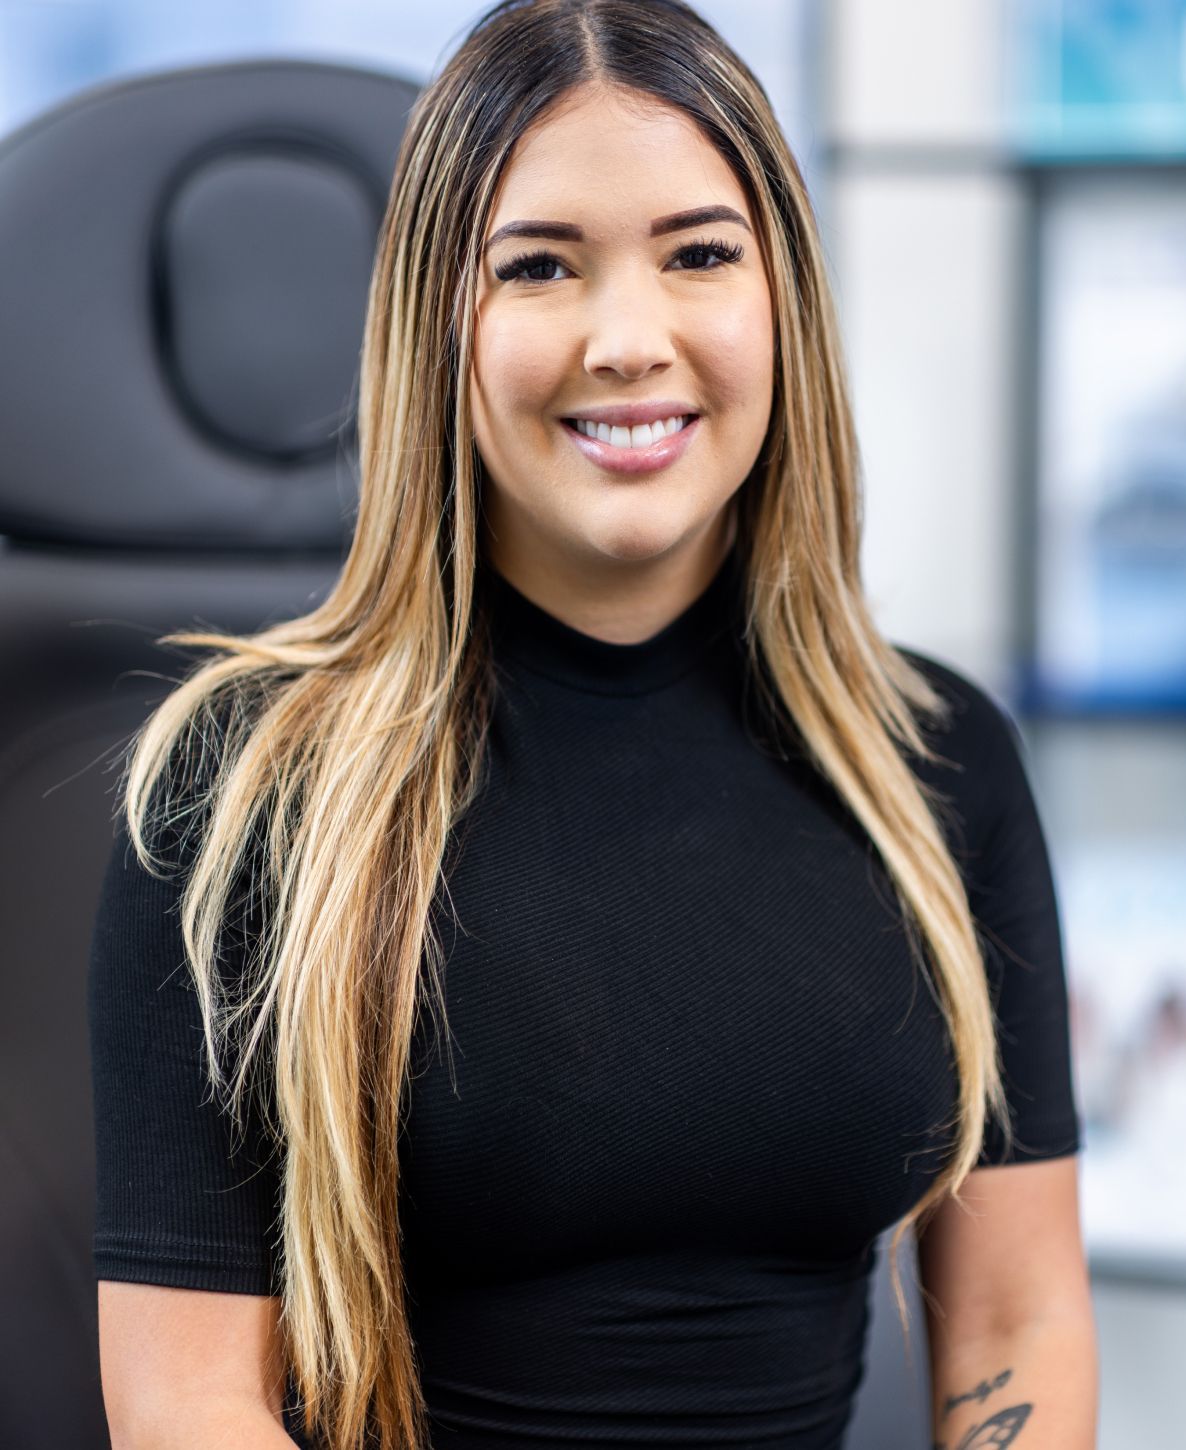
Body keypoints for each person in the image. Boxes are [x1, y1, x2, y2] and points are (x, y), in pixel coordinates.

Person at [88, 2, 1098, 1448]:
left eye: (699, 254)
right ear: (443, 315)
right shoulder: (235, 791)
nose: (631, 340)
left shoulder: (936, 762)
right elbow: (189, 1403)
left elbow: (1019, 1319)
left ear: (784, 301)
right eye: (542, 267)